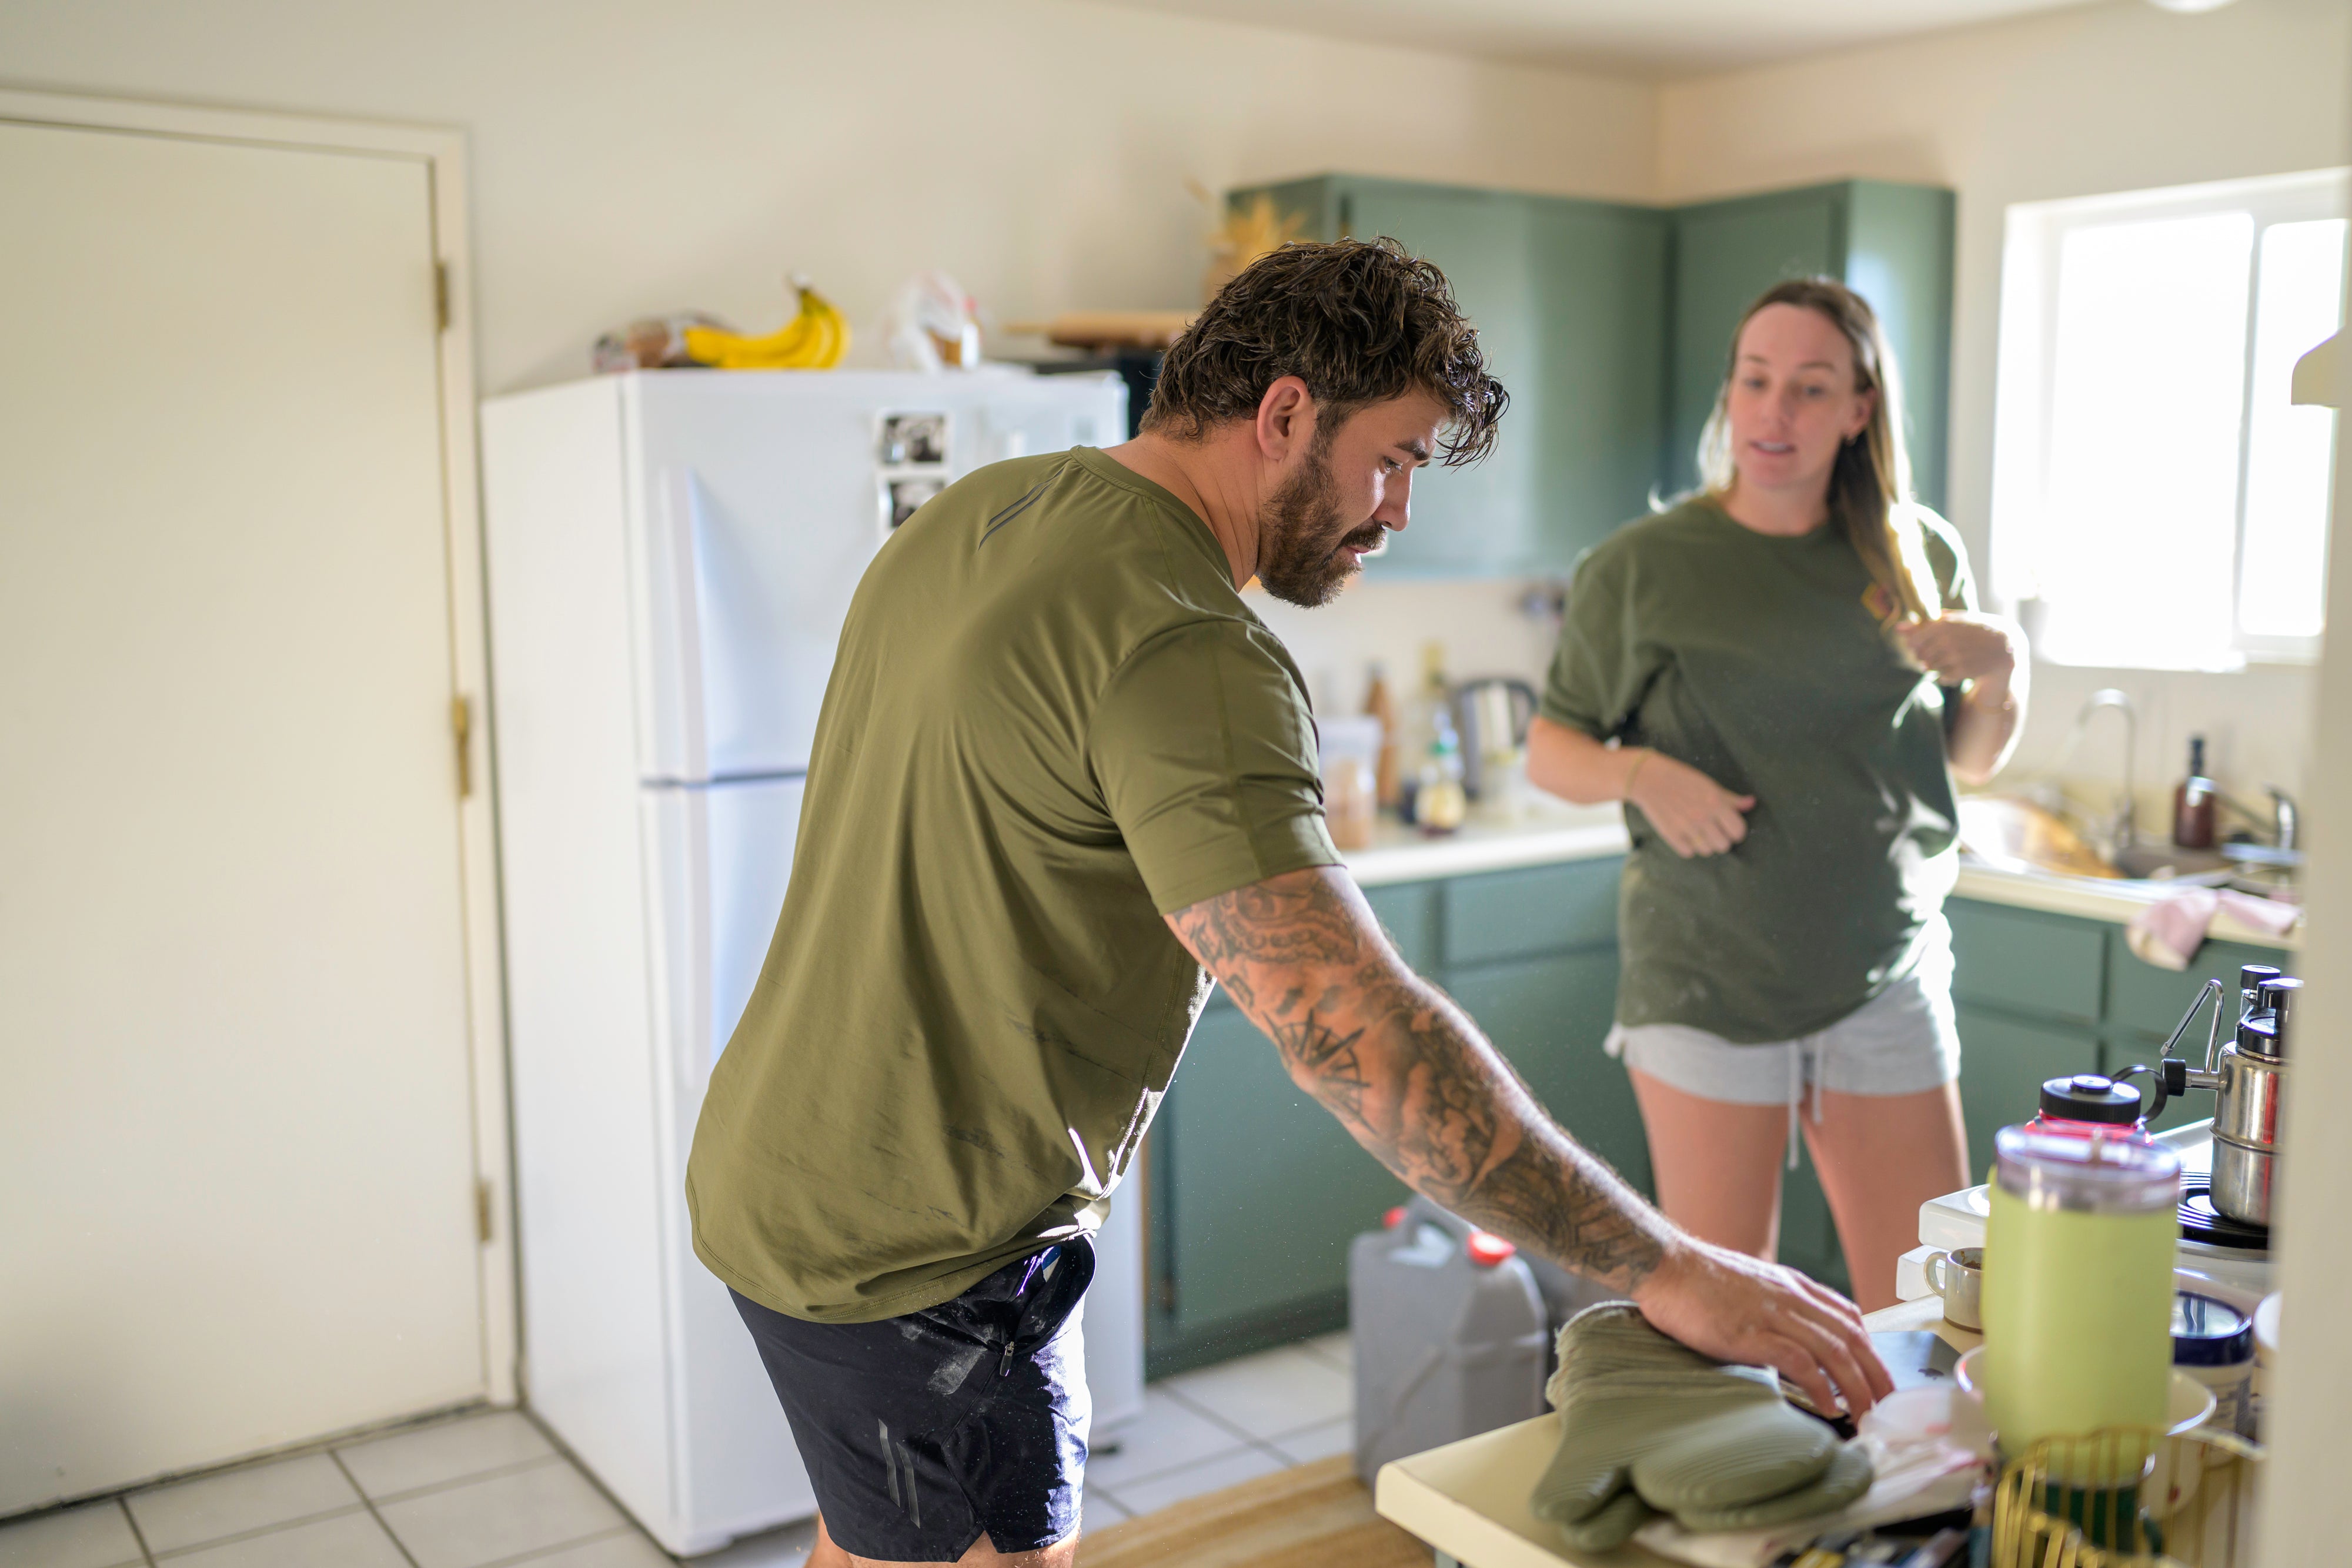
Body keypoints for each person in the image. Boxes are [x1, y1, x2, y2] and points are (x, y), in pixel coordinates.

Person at [686, 242, 1892, 1568]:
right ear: (1281, 415)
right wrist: (1666, 1265)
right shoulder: (1185, 641)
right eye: (1393, 459)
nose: (1398, 509)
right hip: (919, 1254)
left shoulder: (982, 509)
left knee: (871, 1543)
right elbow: (1354, 1031)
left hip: (786, 1169)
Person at [1527, 277, 2027, 1312]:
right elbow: (1550, 749)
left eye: (1809, 389)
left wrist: (2006, 667)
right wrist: (1638, 772)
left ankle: (1902, 1480)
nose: (1774, 412)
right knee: (1726, 1314)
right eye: (1756, 381)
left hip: (1885, 970)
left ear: (1858, 409)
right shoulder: (1642, 567)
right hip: (1708, 983)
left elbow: (1970, 758)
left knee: (1928, 1305)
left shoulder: (1916, 551)